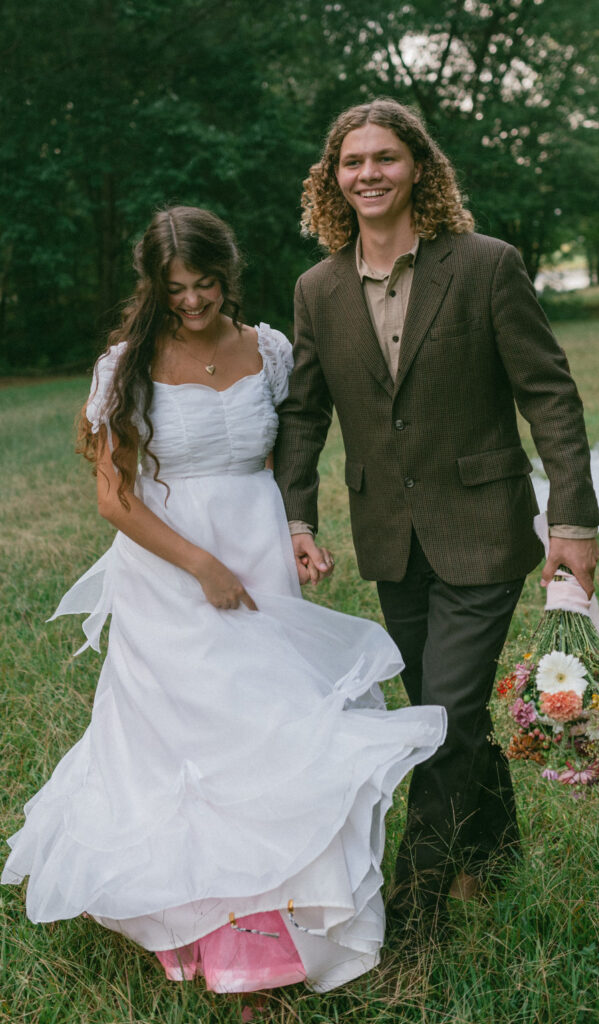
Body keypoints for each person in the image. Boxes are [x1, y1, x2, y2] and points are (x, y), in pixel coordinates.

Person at [1, 205, 446, 994]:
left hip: (260, 547)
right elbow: (114, 499)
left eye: (205, 284)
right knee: (198, 742)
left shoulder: (268, 350)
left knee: (275, 729)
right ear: (154, 285)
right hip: (172, 566)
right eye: (176, 289)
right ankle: (205, 925)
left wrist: (298, 534)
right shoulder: (126, 365)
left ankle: (291, 914)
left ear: (226, 276)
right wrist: (200, 565)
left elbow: (283, 457)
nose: (194, 302)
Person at [273, 99, 599, 933]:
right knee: (443, 714)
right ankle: (488, 857)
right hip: (389, 536)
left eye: (385, 157)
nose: (369, 173)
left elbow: (548, 393)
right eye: (353, 162)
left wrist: (573, 521)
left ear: (418, 166)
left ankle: (410, 915)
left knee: (442, 720)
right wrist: (299, 518)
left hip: (486, 529)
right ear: (333, 179)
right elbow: (304, 414)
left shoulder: (485, 264)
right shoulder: (318, 289)